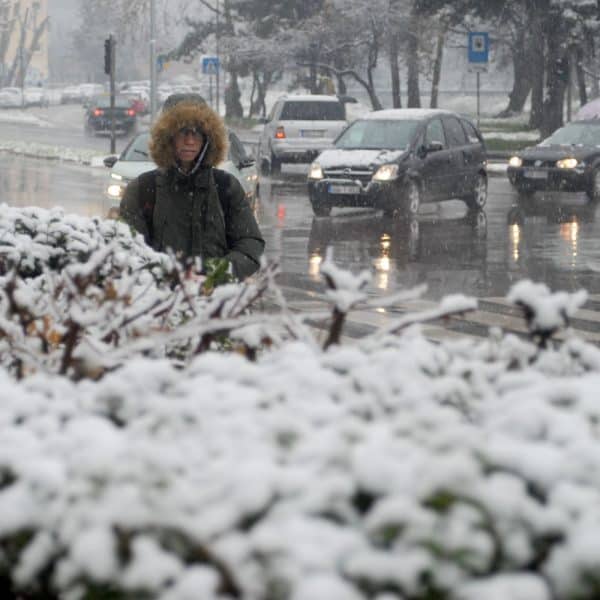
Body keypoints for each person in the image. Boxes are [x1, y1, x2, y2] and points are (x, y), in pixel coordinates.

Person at [119, 94, 264, 280]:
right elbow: (128, 249)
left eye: (197, 133)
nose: (190, 141)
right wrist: (162, 278)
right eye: (182, 132)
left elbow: (250, 243)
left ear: (207, 138)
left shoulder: (225, 186)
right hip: (161, 302)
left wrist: (217, 274)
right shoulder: (143, 189)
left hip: (216, 302)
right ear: (167, 137)